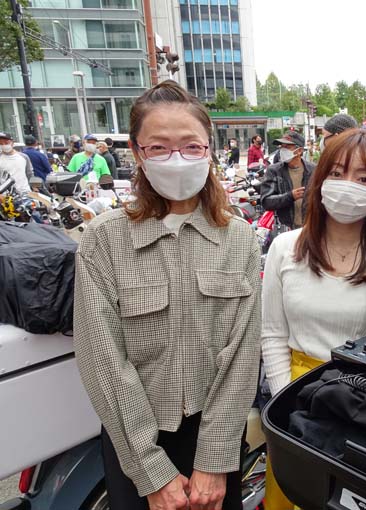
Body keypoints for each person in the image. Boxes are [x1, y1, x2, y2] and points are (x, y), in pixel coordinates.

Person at [73, 80, 261, 510]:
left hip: (213, 436)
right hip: (134, 437)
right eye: (159, 147)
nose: (177, 159)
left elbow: (242, 355)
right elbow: (102, 360)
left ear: (209, 150)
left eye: (190, 146)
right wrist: (150, 471)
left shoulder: (239, 240)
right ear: (138, 154)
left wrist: (214, 461)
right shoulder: (104, 241)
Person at [261, 128, 366, 509]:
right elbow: (272, 334)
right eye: (336, 173)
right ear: (320, 180)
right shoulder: (285, 249)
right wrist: (285, 405)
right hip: (295, 398)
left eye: (364, 178)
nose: (346, 185)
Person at [260, 131, 315, 230]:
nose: (282, 150)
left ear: (299, 151)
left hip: (310, 228)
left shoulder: (313, 170)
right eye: (282, 146)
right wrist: (290, 196)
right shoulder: (274, 171)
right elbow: (266, 202)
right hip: (286, 229)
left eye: (287, 147)